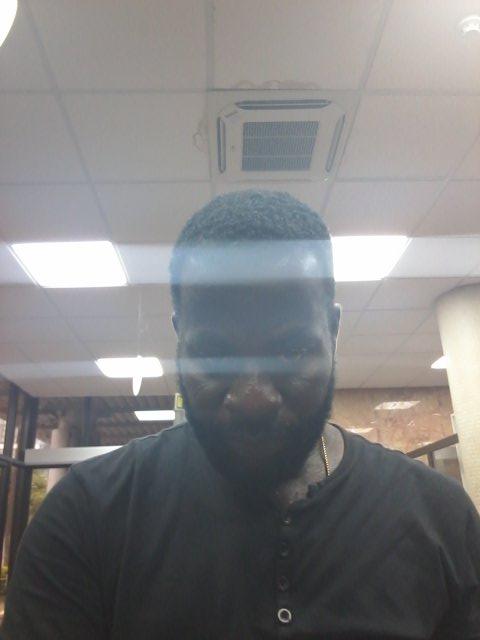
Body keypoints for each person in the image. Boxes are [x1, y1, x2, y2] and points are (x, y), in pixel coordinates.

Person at [2, 190, 479, 639]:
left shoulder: (440, 520)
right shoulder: (86, 519)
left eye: (292, 351)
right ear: (179, 337)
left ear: (333, 332)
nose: (254, 398)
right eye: (214, 353)